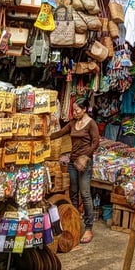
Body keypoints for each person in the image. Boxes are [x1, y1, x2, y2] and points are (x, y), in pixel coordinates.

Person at [51, 98, 100, 243]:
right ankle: (75, 221)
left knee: (85, 194)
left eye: (77, 110)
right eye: (74, 110)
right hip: (72, 162)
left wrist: (85, 157)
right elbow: (59, 133)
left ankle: (89, 227)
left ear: (84, 109)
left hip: (85, 163)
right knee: (73, 193)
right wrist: (44, 137)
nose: (75, 112)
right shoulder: (72, 123)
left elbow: (96, 142)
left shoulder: (91, 124)